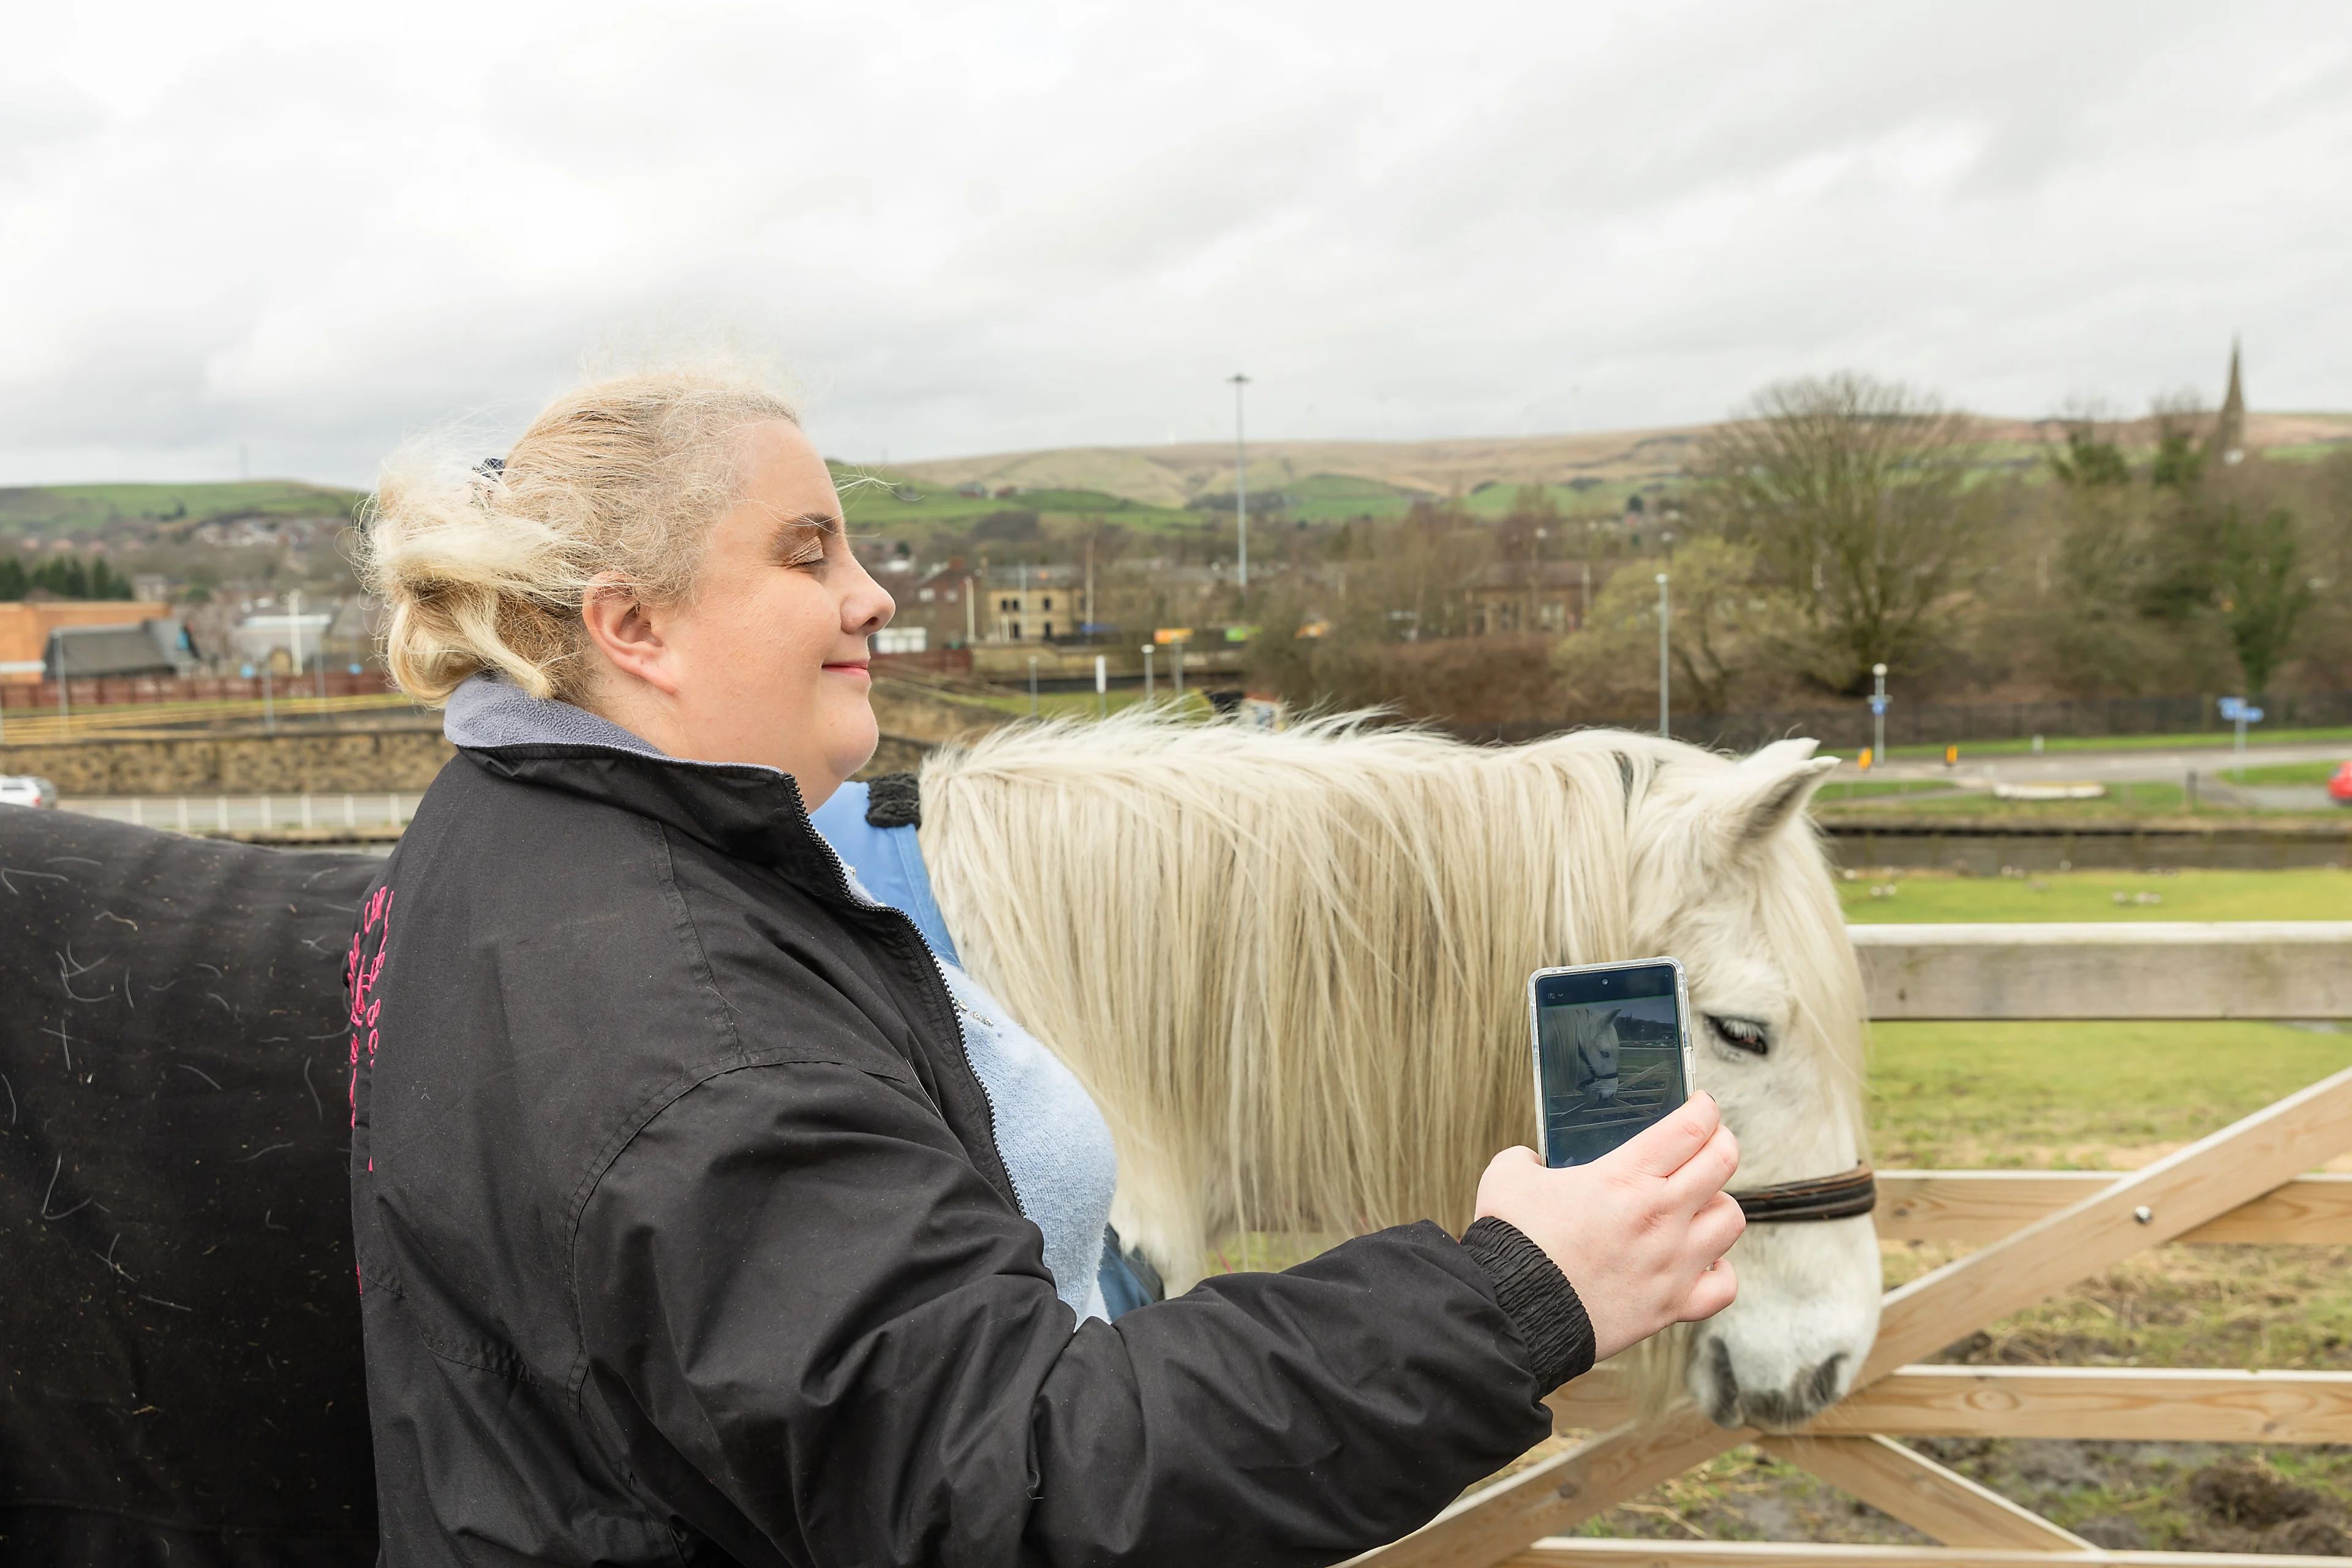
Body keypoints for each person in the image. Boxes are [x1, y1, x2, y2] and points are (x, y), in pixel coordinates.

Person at [349, 368, 1745, 1567]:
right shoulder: (692, 1019)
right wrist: (1514, 1295)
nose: (874, 593)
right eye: (808, 551)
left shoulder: (534, 838)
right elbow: (1016, 1475)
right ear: (629, 624)